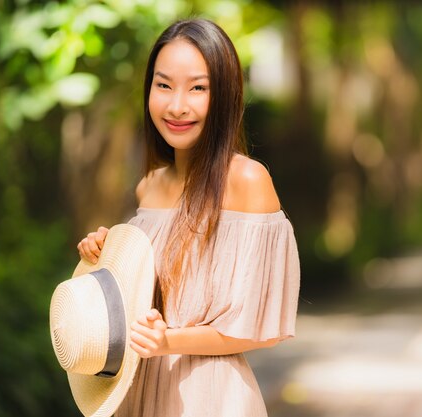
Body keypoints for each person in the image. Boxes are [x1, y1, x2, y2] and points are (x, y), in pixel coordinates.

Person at [77, 18, 300, 417]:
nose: (177, 105)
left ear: (226, 96)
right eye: (164, 85)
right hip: (137, 392)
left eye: (198, 88)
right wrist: (105, 259)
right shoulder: (148, 186)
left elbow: (252, 329)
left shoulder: (247, 180)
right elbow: (138, 307)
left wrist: (169, 342)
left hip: (210, 397)